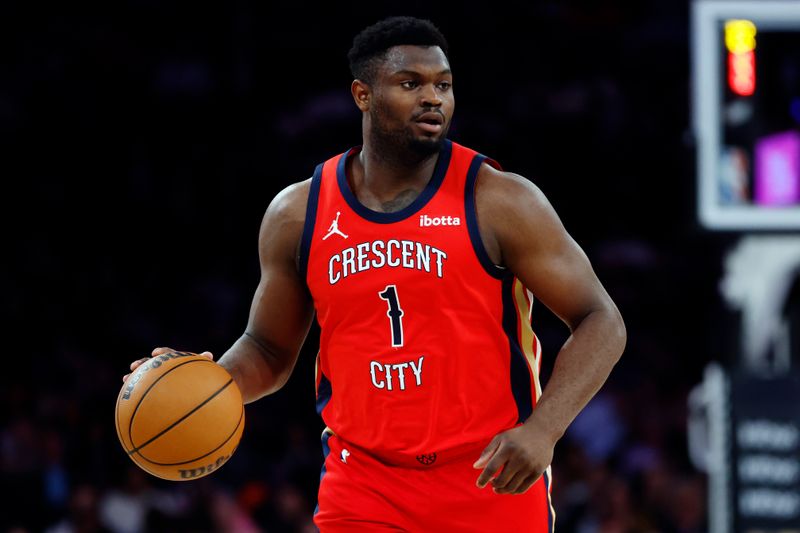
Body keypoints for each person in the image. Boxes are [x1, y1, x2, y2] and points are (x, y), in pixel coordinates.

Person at [124, 16, 626, 532]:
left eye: (443, 85)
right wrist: (207, 382)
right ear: (362, 94)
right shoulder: (299, 213)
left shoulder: (500, 199)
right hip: (364, 483)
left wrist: (544, 431)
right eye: (411, 83)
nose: (433, 97)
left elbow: (601, 320)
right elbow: (270, 350)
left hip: (489, 473)